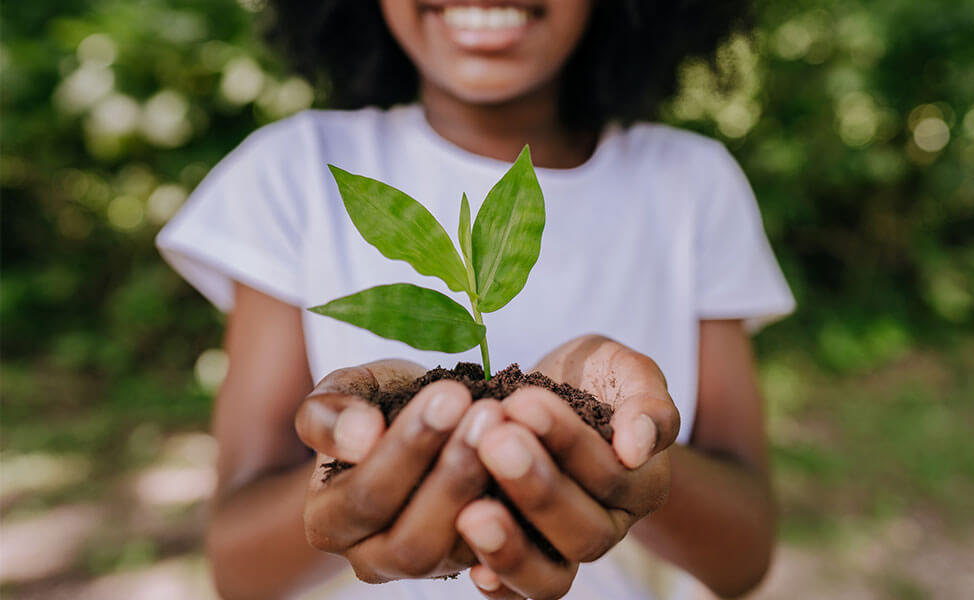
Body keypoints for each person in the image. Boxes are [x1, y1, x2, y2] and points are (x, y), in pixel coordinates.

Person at [157, 1, 795, 598]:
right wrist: (366, 468)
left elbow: (743, 556)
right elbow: (237, 565)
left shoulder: (691, 184)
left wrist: (630, 458)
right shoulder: (291, 171)